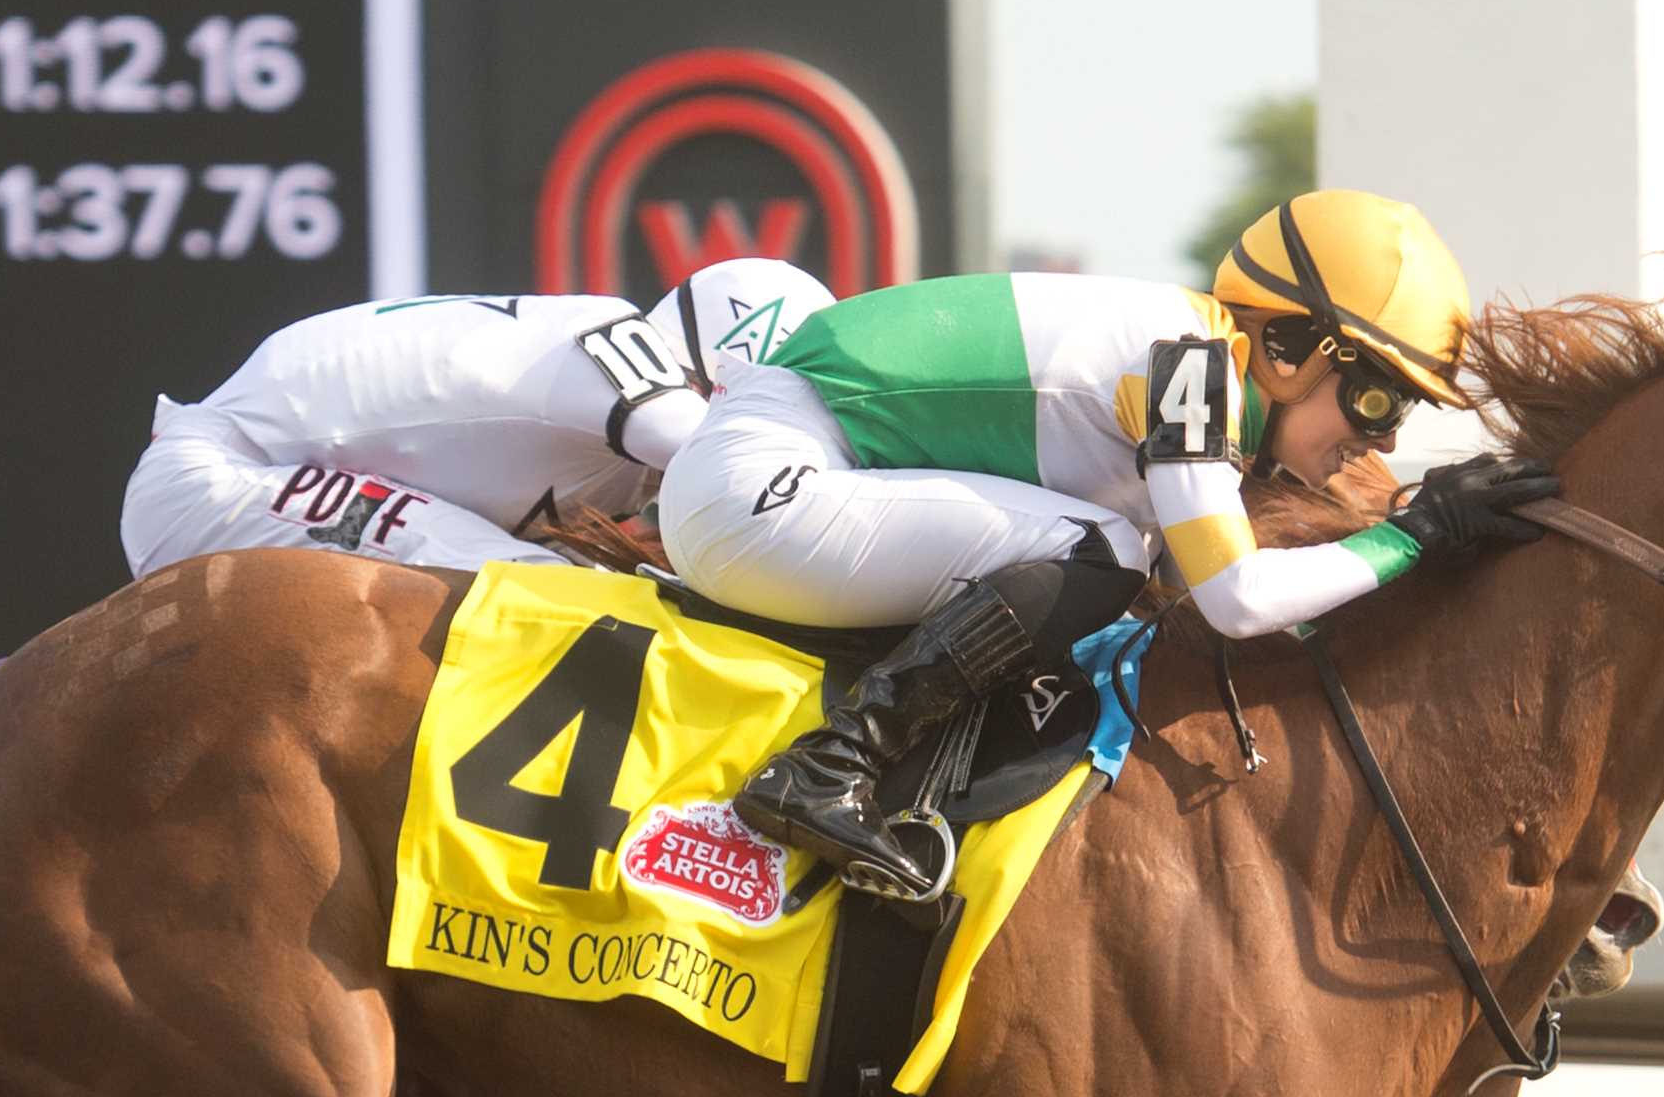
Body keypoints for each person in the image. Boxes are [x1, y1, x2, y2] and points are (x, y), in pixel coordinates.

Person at [662, 193, 1562, 894]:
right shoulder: (1192, 364)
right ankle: (830, 764)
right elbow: (1235, 599)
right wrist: (1418, 534)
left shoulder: (1191, 355)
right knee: (1107, 551)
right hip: (760, 486)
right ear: (1290, 348)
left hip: (770, 474)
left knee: (1119, 551)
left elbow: (1199, 584)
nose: (1387, 439)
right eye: (1379, 399)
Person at [119, 255, 837, 578]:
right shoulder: (619, 344)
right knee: (538, 591)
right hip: (217, 477)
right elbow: (743, 479)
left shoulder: (625, 388)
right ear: (729, 374)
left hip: (244, 472)